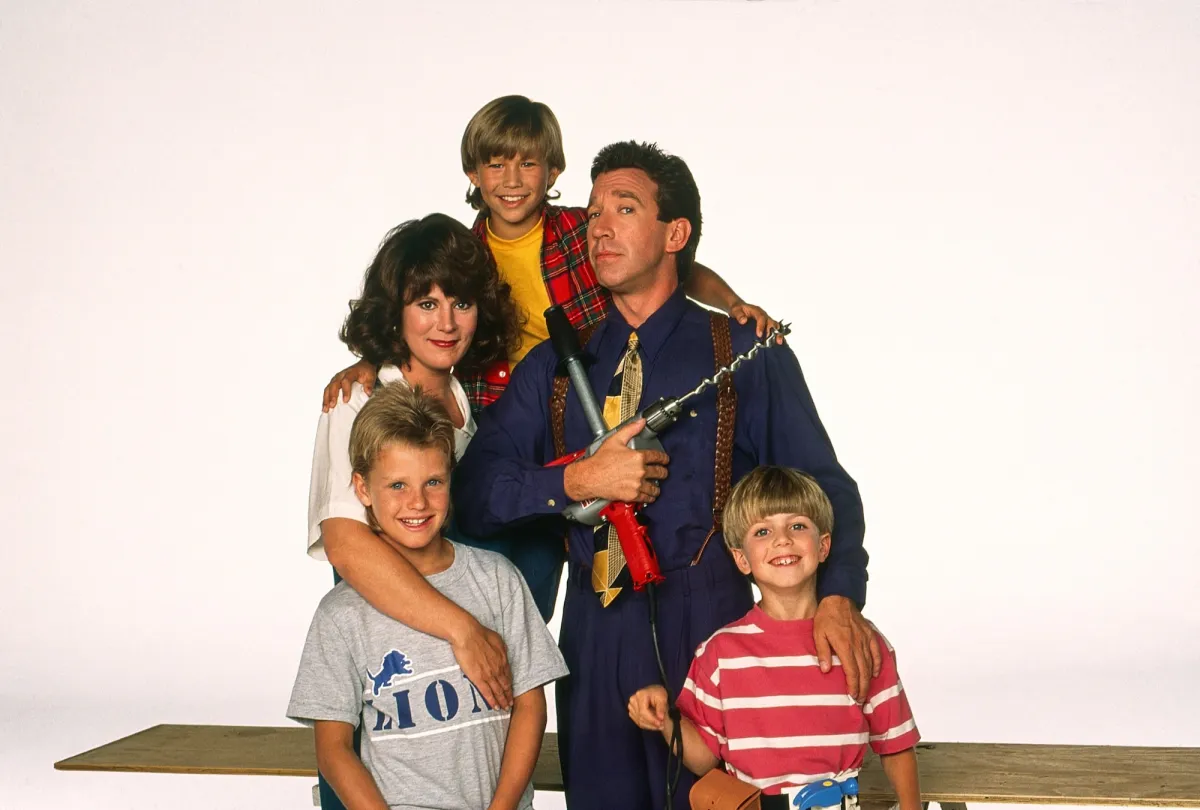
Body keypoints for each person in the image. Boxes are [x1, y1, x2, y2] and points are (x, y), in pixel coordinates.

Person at [453, 141, 878, 810]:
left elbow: (825, 486)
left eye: (624, 209)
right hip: (594, 636)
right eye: (592, 213)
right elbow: (473, 492)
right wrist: (577, 483)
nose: (599, 228)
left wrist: (839, 597)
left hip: (720, 634)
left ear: (675, 234)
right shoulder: (554, 368)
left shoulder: (745, 353)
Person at [322, 95, 779, 414]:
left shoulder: (585, 229)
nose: (512, 181)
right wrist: (370, 362)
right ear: (474, 174)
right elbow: (419, 319)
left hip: (589, 396)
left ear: (553, 171)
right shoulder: (462, 254)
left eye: (527, 164)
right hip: (499, 409)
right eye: (496, 165)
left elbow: (675, 266)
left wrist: (732, 303)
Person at [290, 382, 568, 810]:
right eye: (397, 486)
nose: (417, 503)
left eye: (433, 481)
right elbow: (333, 749)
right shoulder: (340, 615)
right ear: (362, 489)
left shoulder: (498, 580)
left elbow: (530, 707)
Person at [628, 466, 920, 810]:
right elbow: (704, 758)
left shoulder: (859, 642)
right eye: (762, 531)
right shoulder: (719, 654)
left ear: (824, 546)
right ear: (741, 559)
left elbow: (896, 745)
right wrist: (666, 720)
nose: (782, 540)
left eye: (797, 526)